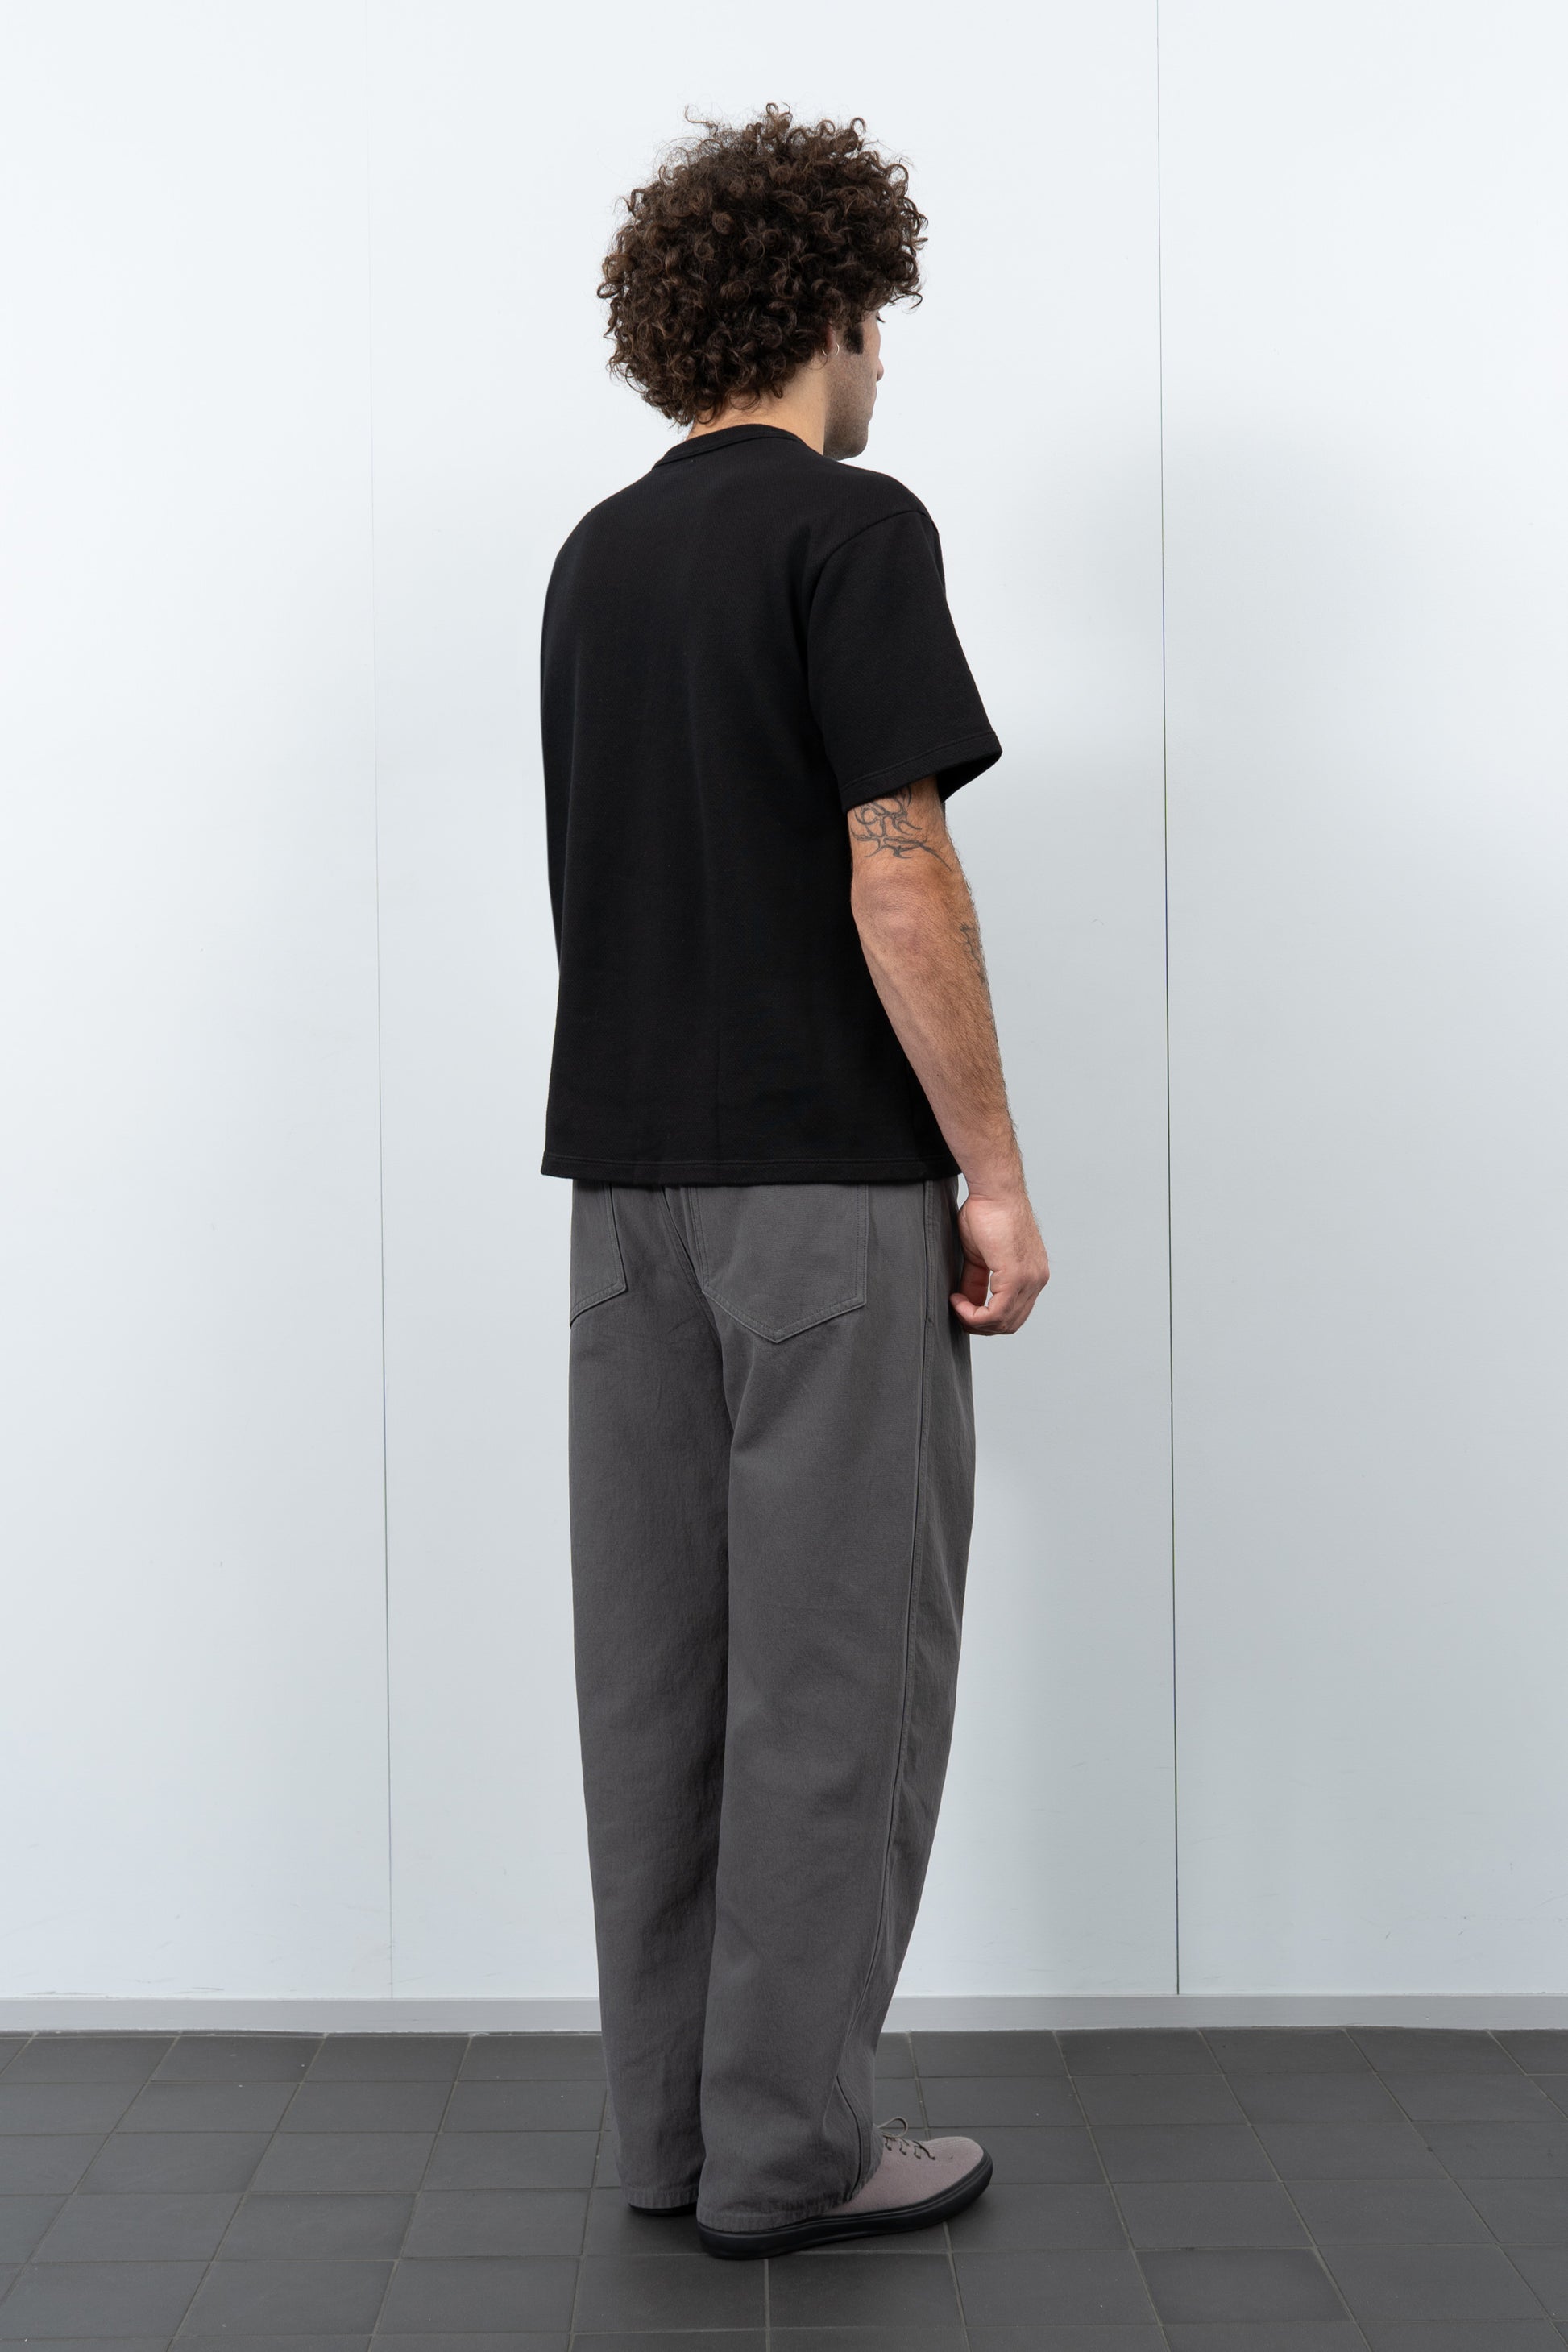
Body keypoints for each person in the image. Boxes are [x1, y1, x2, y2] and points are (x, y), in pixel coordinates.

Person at [538, 102, 1049, 2261]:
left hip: (621, 1201)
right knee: (834, 1678)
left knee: (658, 1683)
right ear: (831, 308)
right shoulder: (852, 527)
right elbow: (895, 864)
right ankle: (792, 2157)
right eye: (878, 320)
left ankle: (677, 2140)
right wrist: (991, 1172)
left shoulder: (595, 555)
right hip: (824, 1202)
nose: (883, 359)